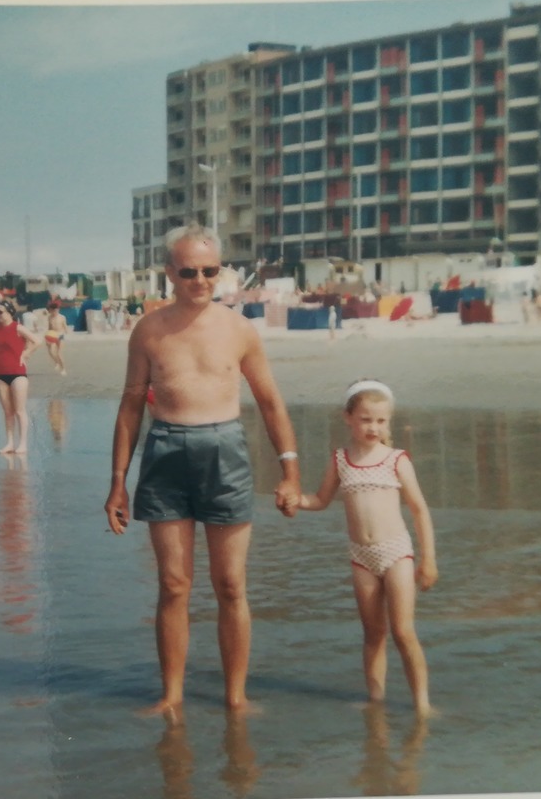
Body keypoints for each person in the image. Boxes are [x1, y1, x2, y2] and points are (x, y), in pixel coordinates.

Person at [105, 225, 300, 718]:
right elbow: (130, 406)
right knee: (173, 585)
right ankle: (171, 696)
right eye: (188, 272)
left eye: (209, 271)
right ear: (169, 273)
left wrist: (290, 470)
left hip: (225, 451)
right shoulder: (148, 330)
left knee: (231, 583)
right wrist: (117, 484)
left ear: (221, 272)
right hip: (166, 450)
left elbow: (271, 402)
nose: (199, 281)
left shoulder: (239, 329)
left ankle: (236, 697)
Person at [295, 379, 439, 715]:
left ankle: (422, 704)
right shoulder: (341, 459)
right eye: (365, 419)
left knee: (403, 632)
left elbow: (419, 509)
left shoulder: (396, 459)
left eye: (380, 420)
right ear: (348, 418)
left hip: (397, 553)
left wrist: (428, 559)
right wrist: (295, 500)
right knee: (373, 634)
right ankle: (376, 703)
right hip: (361, 557)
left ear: (389, 422)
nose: (373, 427)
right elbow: (320, 499)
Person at [0, 301, 43, 454]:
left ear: (9, 312)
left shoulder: (17, 327)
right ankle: (9, 443)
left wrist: (26, 354)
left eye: (0, 312)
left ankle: (23, 444)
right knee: (8, 412)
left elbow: (37, 341)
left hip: (18, 373)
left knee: (20, 410)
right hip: (1, 374)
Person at [44, 303, 67, 375]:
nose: (53, 312)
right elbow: (49, 327)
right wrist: (47, 336)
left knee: (59, 353)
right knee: (50, 351)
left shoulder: (62, 317)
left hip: (60, 335)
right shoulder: (49, 317)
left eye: (55, 310)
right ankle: (57, 362)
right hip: (52, 334)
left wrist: (65, 333)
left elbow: (65, 327)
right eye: (51, 310)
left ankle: (63, 369)